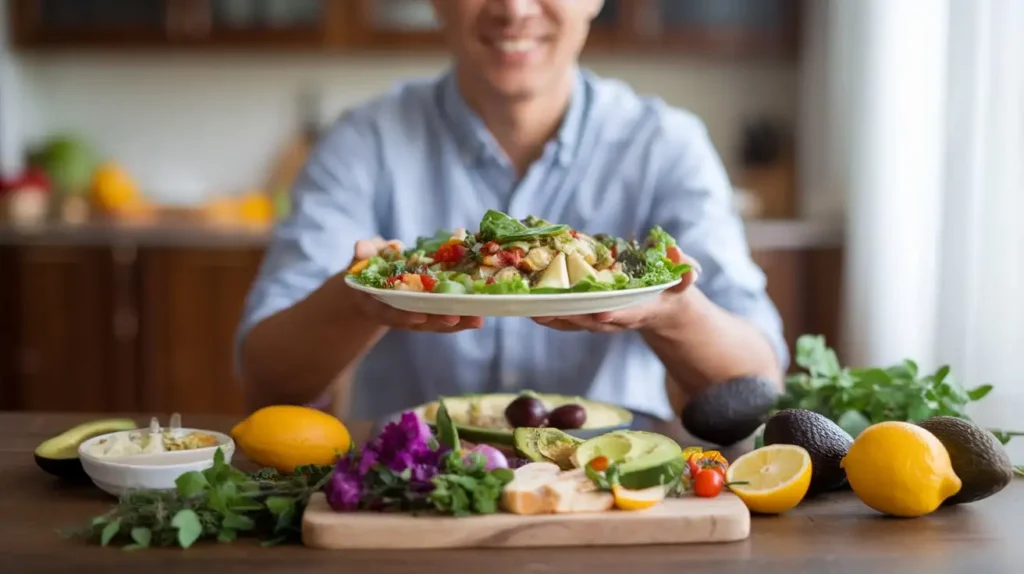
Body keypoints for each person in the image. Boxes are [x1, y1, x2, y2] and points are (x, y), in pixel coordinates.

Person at [235, 0, 788, 426]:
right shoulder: (361, 142)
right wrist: (361, 297)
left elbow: (758, 385)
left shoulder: (667, 144)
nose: (515, 10)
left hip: (616, 487)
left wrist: (673, 310)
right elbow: (265, 379)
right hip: (414, 487)